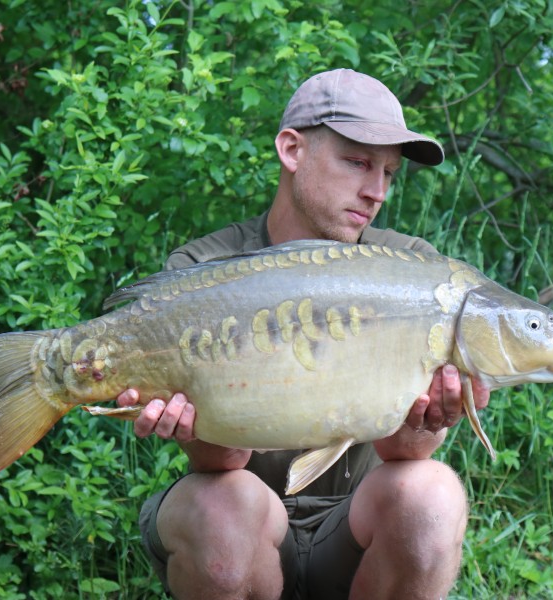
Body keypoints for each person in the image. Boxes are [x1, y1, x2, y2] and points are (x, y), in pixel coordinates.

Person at [117, 68, 471, 600]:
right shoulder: (206, 270)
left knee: (433, 495)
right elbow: (221, 464)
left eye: (390, 174)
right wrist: (191, 423)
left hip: (354, 531)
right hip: (248, 526)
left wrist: (434, 416)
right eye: (357, 163)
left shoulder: (413, 270)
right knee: (222, 506)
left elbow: (405, 452)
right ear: (292, 150)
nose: (376, 192)